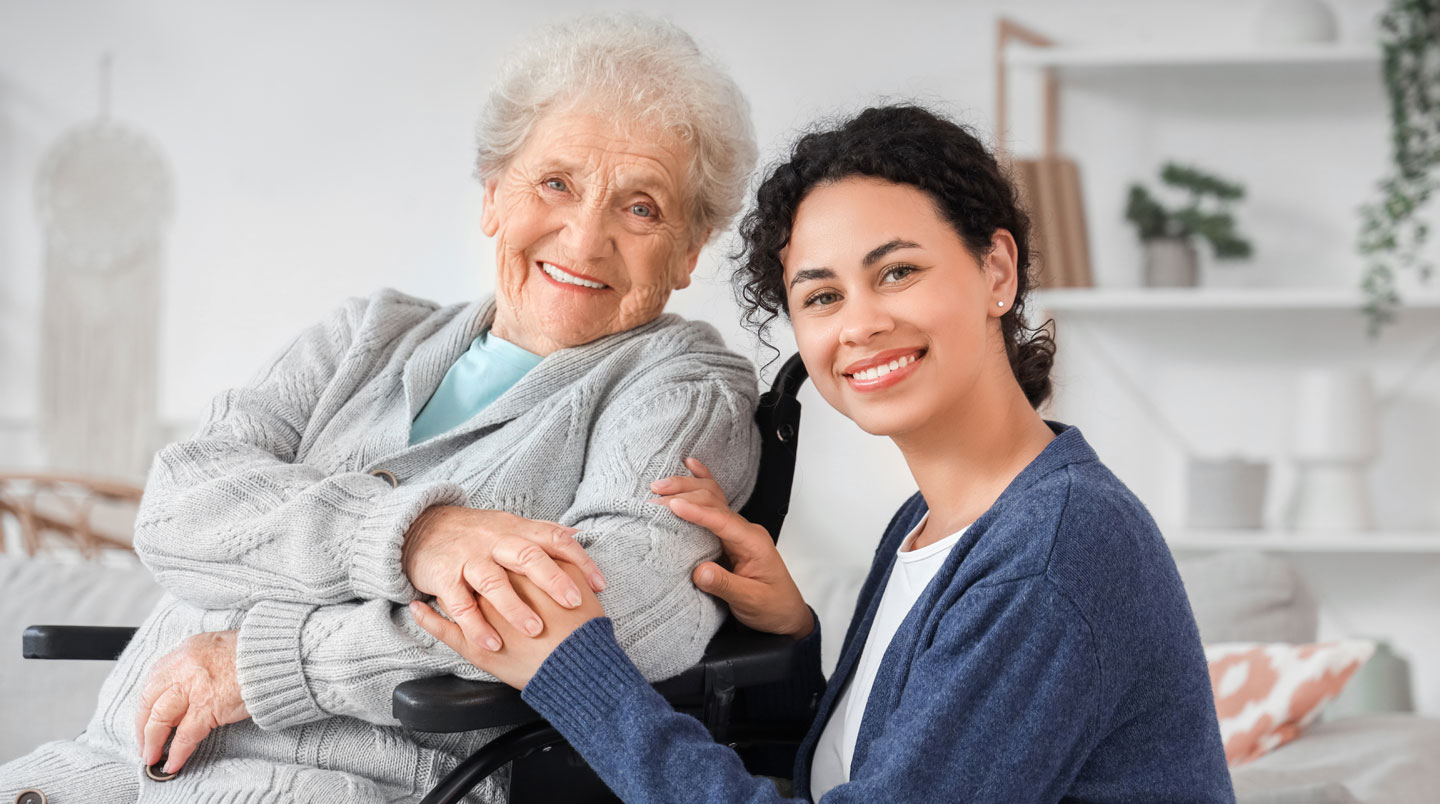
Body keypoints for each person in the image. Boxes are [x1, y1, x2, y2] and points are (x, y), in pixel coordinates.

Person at [0, 14, 763, 804]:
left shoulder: (682, 393)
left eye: (641, 208)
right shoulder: (364, 335)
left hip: (345, 786)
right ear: (493, 195)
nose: (585, 237)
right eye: (556, 184)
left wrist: (266, 666)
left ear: (688, 251)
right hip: (104, 764)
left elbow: (619, 616)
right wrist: (418, 539)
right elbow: (177, 506)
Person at [413, 104, 1237, 803]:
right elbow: (871, 776)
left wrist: (578, 673)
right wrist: (793, 644)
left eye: (898, 272)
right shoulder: (931, 526)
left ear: (997, 271)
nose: (860, 324)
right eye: (822, 296)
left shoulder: (1054, 556)